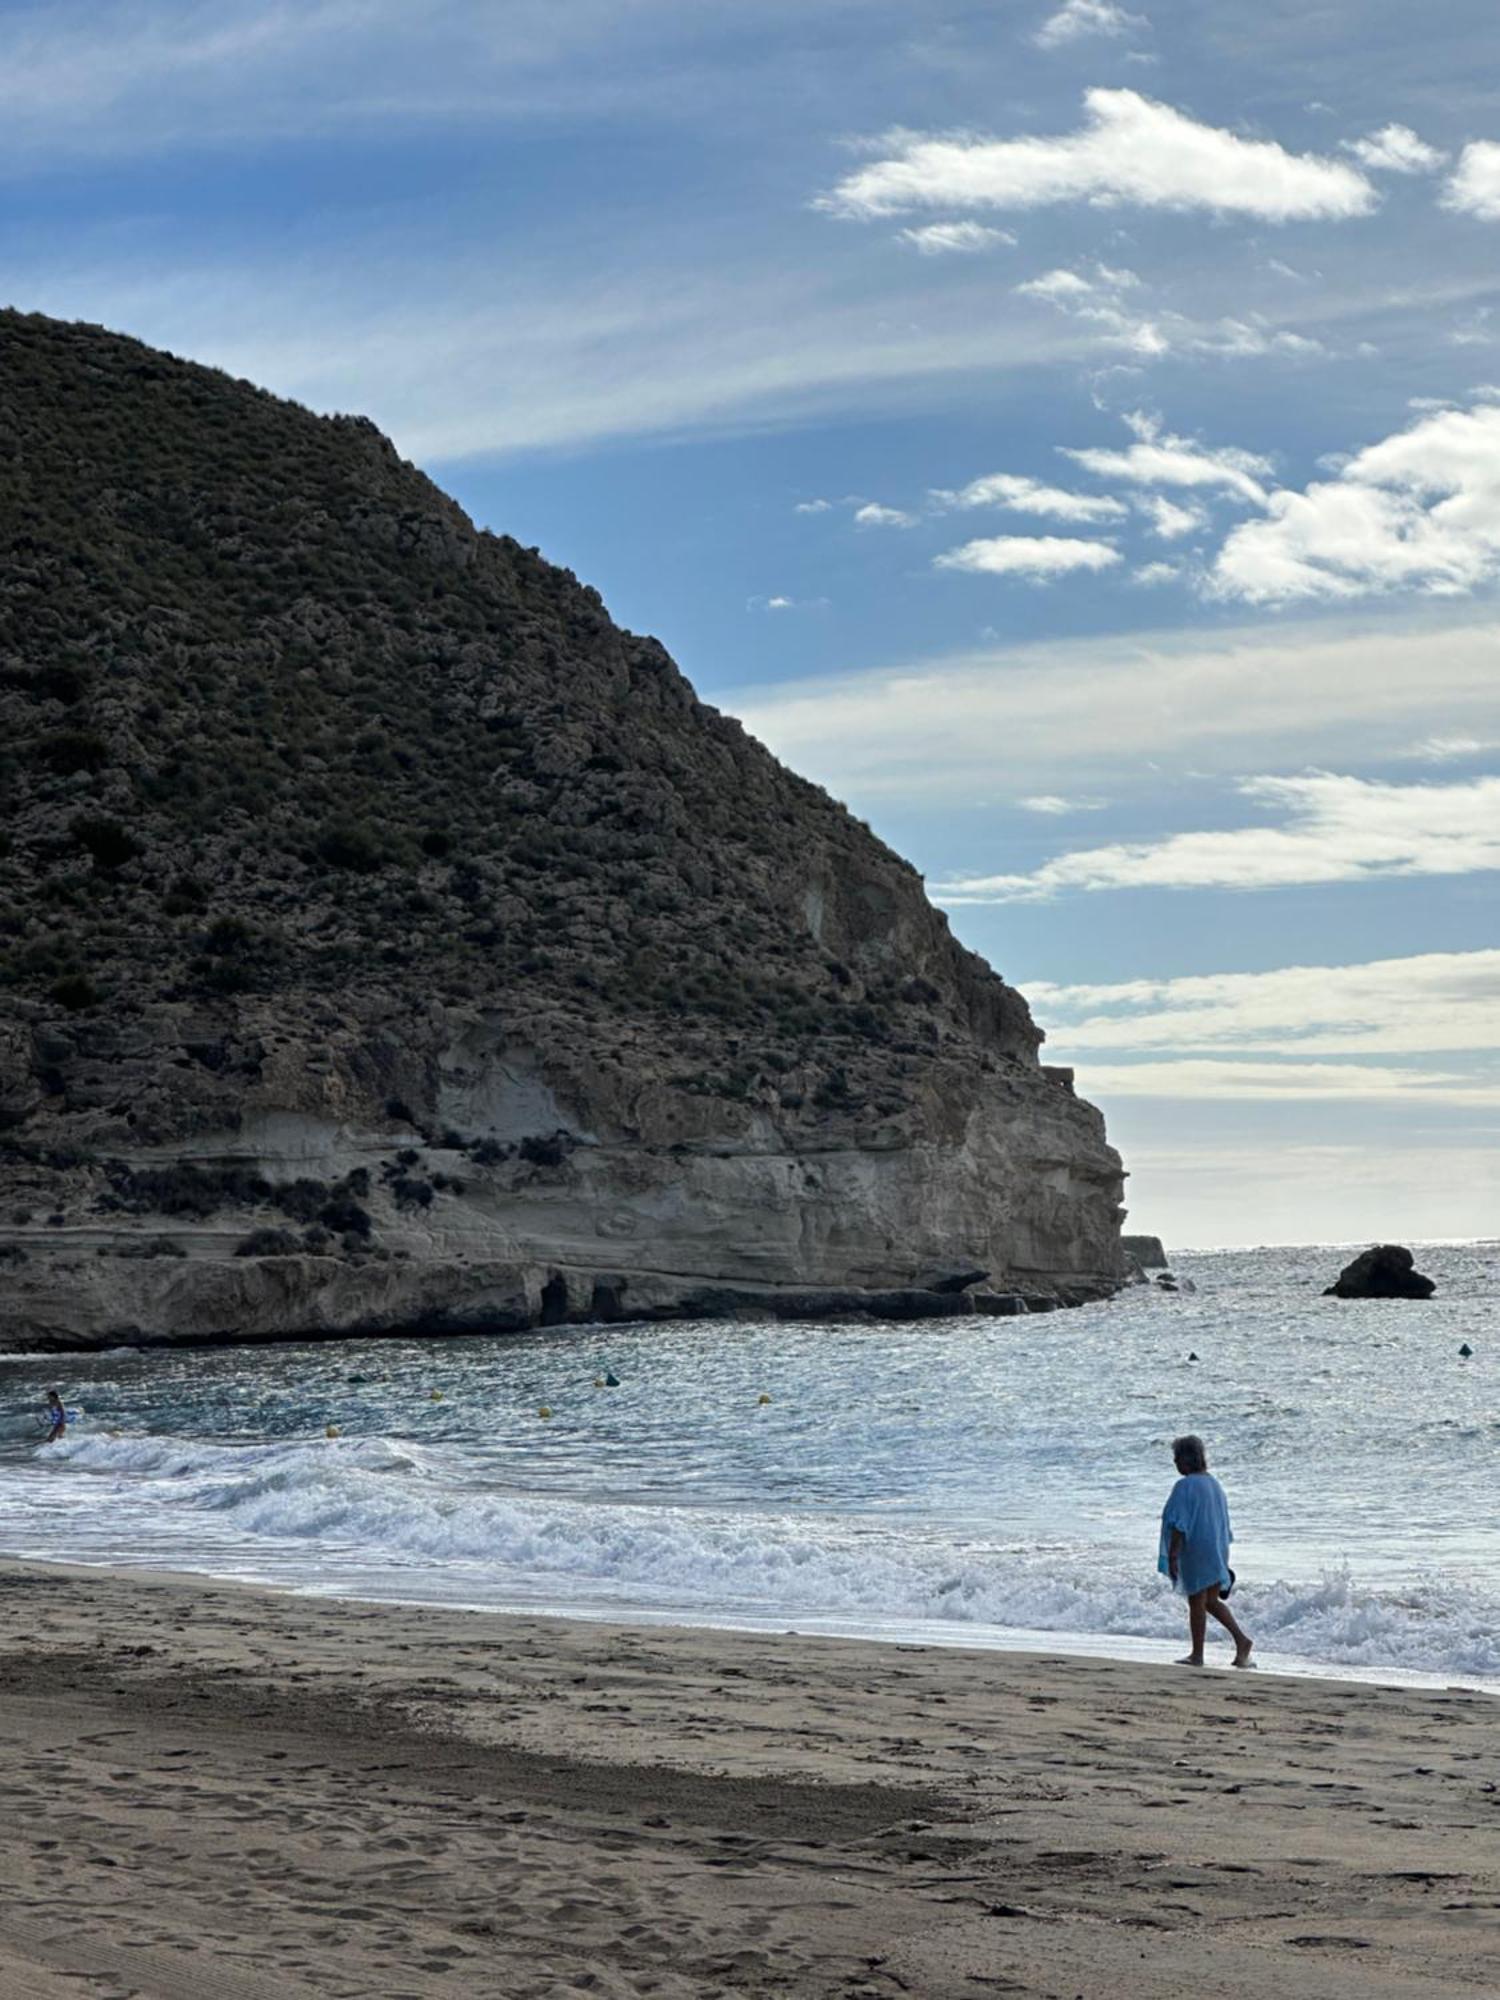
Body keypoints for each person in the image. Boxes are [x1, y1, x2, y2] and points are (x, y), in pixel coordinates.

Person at [1158, 1434, 1253, 1669]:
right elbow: (1222, 1521)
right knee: (1210, 1601)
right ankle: (1242, 1641)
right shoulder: (1214, 1484)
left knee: (1196, 1602)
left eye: (1177, 1458)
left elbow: (1179, 1523)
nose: (1175, 1463)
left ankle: (1197, 1655)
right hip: (1216, 1548)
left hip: (1196, 1549)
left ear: (1187, 1460)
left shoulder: (1185, 1486)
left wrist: (1172, 1554)